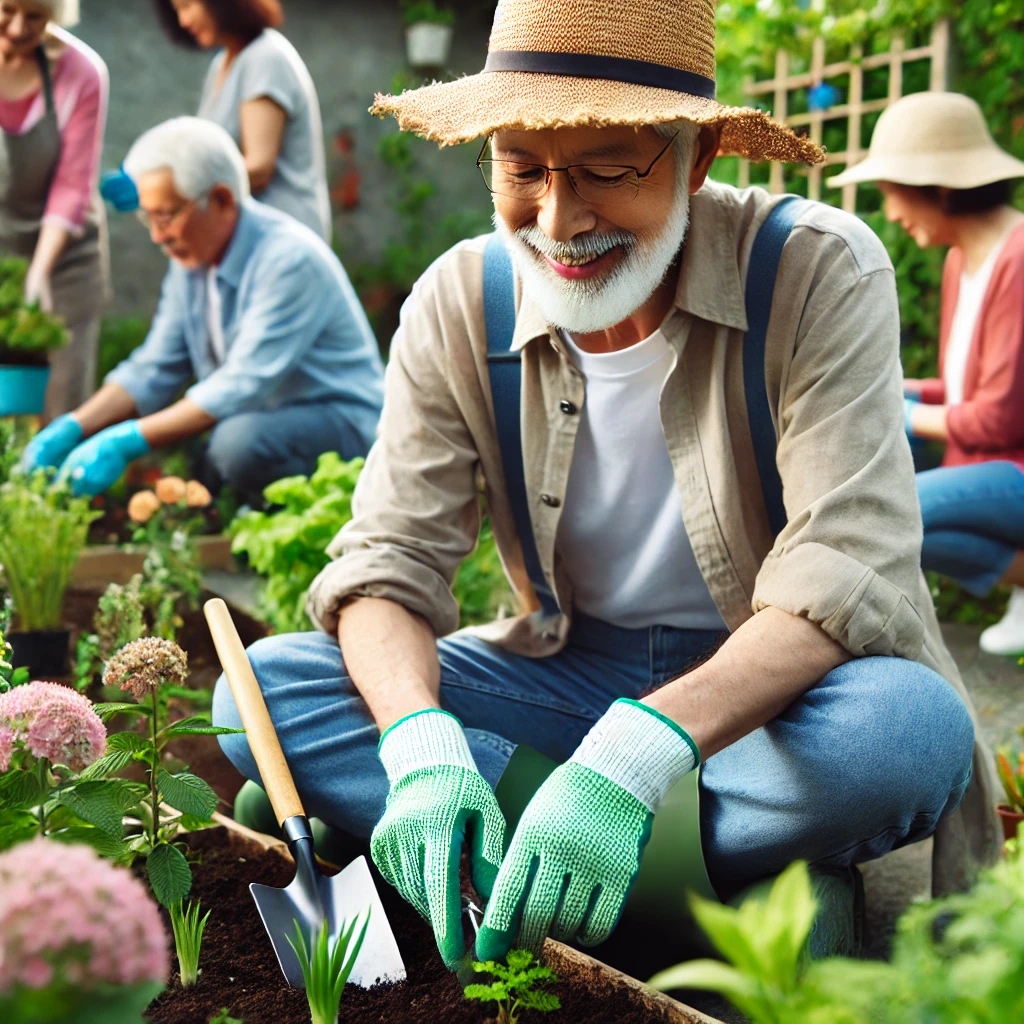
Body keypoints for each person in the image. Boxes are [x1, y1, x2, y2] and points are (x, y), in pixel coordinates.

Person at [212, 0, 998, 972]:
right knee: (267, 688)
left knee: (907, 730)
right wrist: (419, 744)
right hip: (565, 672)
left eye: (606, 170)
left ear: (697, 158)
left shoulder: (810, 272)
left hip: (766, 694)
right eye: (522, 168)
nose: (559, 220)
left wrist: (632, 761)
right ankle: (720, 897)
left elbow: (846, 561)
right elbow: (388, 559)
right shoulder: (462, 299)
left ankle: (529, 863)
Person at [22, 117, 383, 501]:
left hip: (343, 424)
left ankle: (320, 518)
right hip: (264, 419)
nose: (158, 236)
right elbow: (154, 368)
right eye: (149, 217)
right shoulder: (191, 264)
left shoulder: (289, 261)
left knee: (233, 443)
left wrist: (126, 440)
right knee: (210, 443)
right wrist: (75, 427)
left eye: (168, 215)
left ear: (222, 200)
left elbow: (242, 384)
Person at [831, 92, 1024, 658]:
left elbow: (996, 417)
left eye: (892, 194)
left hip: (1012, 463)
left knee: (887, 513)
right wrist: (883, 385)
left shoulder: (1019, 259)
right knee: (870, 480)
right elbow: (966, 390)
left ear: (939, 188)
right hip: (991, 461)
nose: (889, 213)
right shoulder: (961, 258)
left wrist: (898, 407)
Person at [0, 0, 109, 418]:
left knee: (60, 402)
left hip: (64, 260)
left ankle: (56, 483)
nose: (16, 29)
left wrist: (39, 270)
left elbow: (72, 184)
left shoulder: (81, 72)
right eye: (7, 10)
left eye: (35, 17)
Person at [151, 0, 331, 241]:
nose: (183, 20)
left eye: (188, 5)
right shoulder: (223, 63)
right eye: (177, 11)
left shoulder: (265, 57)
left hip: (283, 239)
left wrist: (175, 191)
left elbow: (257, 170)